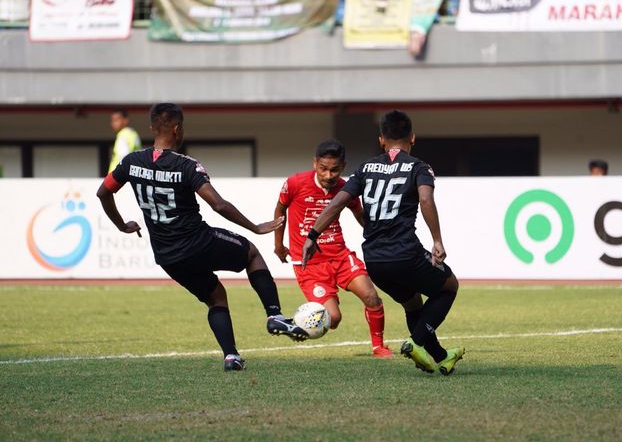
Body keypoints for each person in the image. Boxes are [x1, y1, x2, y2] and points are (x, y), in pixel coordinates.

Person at [96, 103, 308, 372]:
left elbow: (103, 192)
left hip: (167, 255)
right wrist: (254, 226)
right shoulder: (187, 166)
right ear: (177, 128)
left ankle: (231, 356)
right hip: (198, 242)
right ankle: (274, 314)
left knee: (216, 297)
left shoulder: (130, 162)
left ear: (152, 128)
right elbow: (218, 204)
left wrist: (121, 225)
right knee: (251, 253)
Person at [302, 110, 464, 375]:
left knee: (412, 304)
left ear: (381, 140)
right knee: (448, 286)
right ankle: (416, 342)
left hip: (375, 261)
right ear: (413, 137)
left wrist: (312, 235)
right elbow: (425, 200)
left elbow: (338, 202)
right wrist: (437, 240)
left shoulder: (365, 168)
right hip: (405, 252)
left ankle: (442, 357)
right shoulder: (419, 166)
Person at [274, 139, 392, 358]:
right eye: (323, 169)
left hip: (340, 256)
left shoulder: (344, 187)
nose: (328, 175)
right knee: (333, 319)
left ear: (343, 167)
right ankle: (296, 324)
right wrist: (278, 244)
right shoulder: (295, 183)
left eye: (334, 170)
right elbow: (281, 208)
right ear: (315, 163)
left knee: (371, 297)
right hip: (309, 264)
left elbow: (358, 212)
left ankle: (379, 347)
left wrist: (378, 237)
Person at [108, 109, 142, 173]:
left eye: (116, 120)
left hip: (119, 177)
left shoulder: (123, 135)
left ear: (125, 120)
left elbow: (123, 158)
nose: (113, 123)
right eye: (112, 121)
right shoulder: (133, 133)